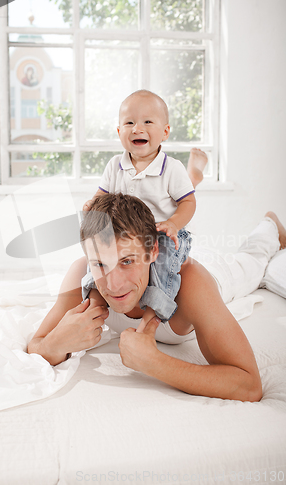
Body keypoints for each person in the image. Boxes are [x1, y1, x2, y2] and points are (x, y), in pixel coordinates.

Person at [27, 191, 286, 402]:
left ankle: (269, 224)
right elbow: (37, 344)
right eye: (101, 264)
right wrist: (55, 345)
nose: (114, 285)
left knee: (253, 260)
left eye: (127, 261)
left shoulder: (193, 283)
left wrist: (155, 363)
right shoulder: (82, 273)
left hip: (220, 271)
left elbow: (249, 385)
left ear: (152, 252)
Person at [82, 90, 199, 324]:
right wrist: (92, 205)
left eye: (147, 121)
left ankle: (154, 315)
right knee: (97, 250)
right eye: (129, 122)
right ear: (119, 132)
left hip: (161, 231)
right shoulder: (115, 165)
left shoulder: (170, 168)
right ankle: (92, 300)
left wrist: (173, 224)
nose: (137, 128)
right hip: (126, 234)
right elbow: (102, 194)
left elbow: (188, 202)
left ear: (165, 131)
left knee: (164, 265)